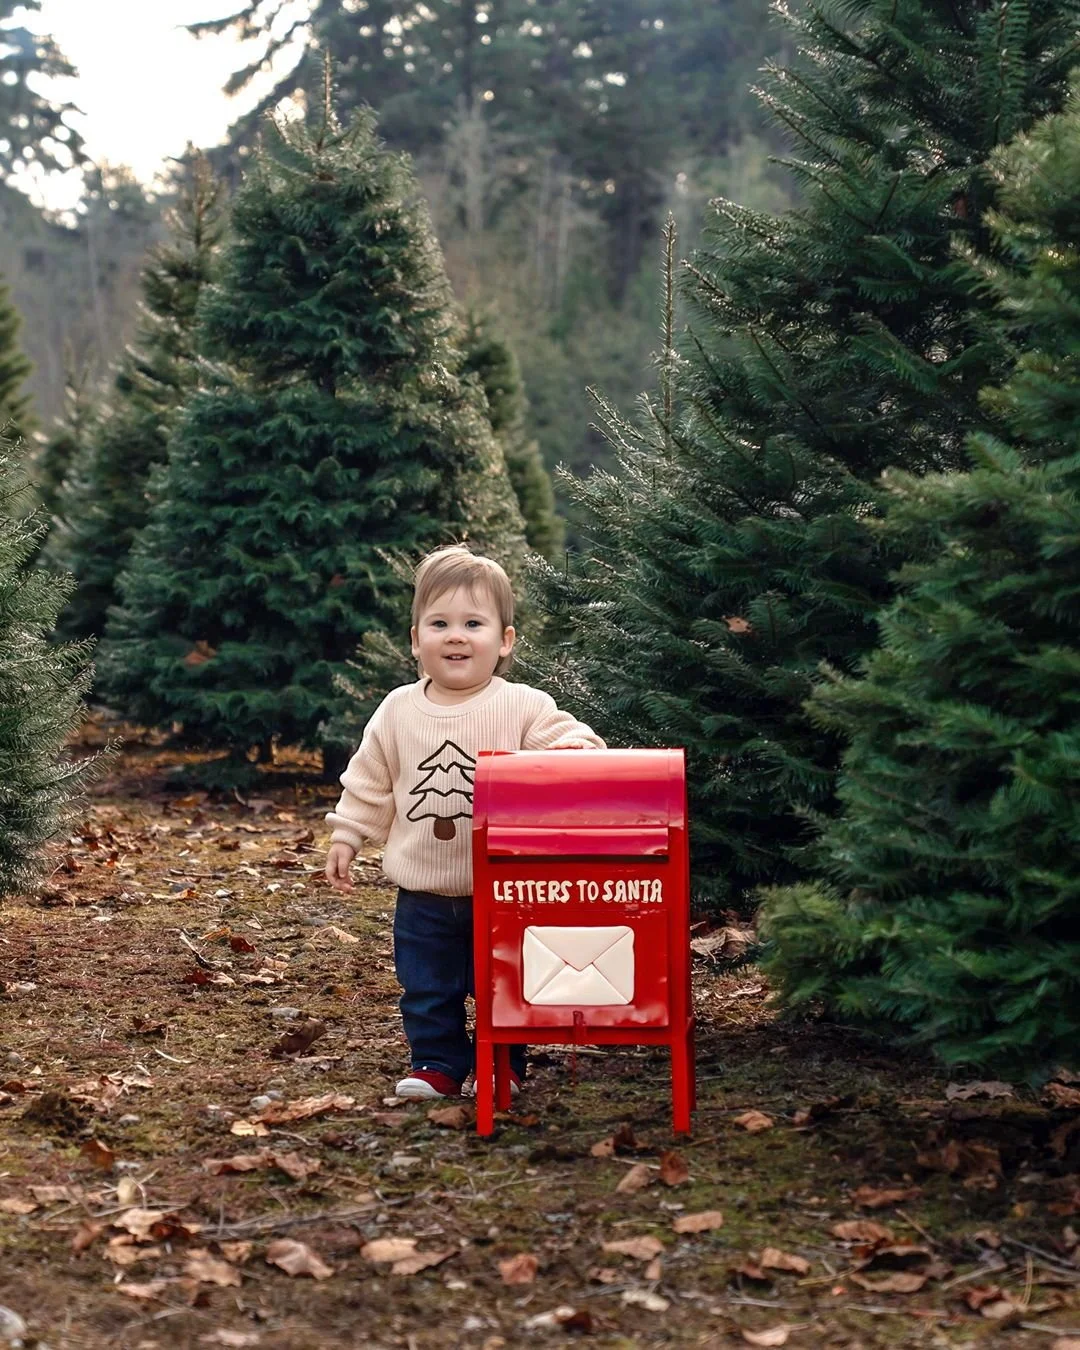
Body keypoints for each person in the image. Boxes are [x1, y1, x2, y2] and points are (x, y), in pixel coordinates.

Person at [325, 545, 605, 1100]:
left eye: (473, 623)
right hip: (423, 889)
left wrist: (570, 752)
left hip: (501, 887)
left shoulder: (522, 704)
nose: (456, 636)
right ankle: (437, 1063)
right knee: (427, 985)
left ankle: (504, 1064)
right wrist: (349, 834)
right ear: (415, 640)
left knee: (505, 980)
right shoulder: (398, 709)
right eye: (440, 623)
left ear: (504, 641)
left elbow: (575, 745)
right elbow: (370, 780)